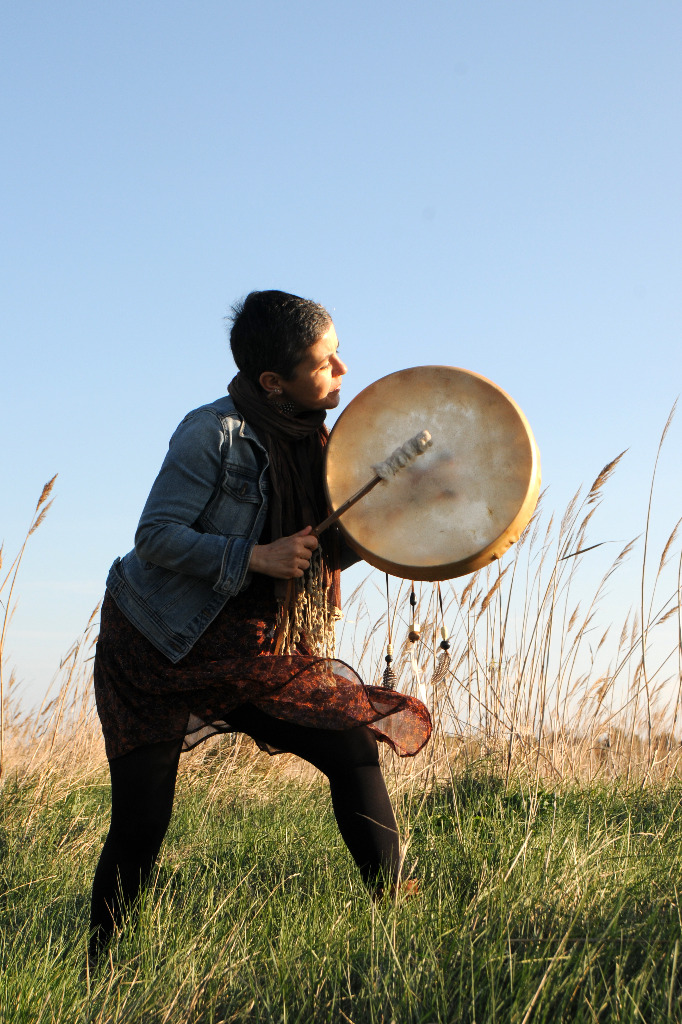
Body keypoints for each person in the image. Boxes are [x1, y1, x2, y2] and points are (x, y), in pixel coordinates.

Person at [89, 290, 431, 961]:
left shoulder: (331, 447)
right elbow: (156, 536)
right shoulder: (211, 432)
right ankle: (100, 969)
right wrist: (256, 556)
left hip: (252, 645)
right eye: (324, 362)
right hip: (160, 643)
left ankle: (394, 926)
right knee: (141, 820)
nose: (342, 369)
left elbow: (326, 549)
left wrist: (392, 519)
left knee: (351, 747)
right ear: (274, 381)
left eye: (338, 352)